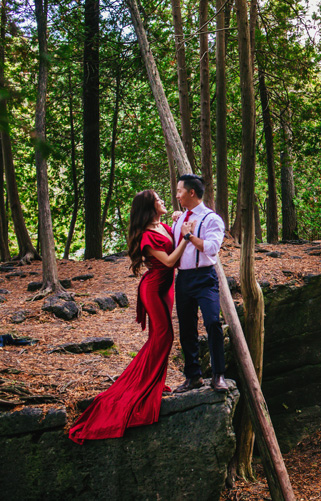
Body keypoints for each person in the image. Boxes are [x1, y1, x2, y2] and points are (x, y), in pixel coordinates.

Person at [69, 190, 194, 444]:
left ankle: (152, 384)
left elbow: (176, 235)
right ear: (150, 207)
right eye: (158, 200)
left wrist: (181, 220)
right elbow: (170, 261)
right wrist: (186, 237)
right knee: (164, 336)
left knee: (161, 339)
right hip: (153, 289)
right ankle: (142, 387)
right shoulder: (147, 236)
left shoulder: (163, 227)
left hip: (166, 288)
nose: (163, 202)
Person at [171, 174, 229, 393]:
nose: (177, 195)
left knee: (213, 322)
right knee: (186, 328)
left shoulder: (212, 219)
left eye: (179, 191)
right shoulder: (180, 219)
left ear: (191, 192)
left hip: (205, 277)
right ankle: (193, 376)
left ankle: (218, 375)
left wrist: (189, 237)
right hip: (183, 278)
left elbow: (212, 248)